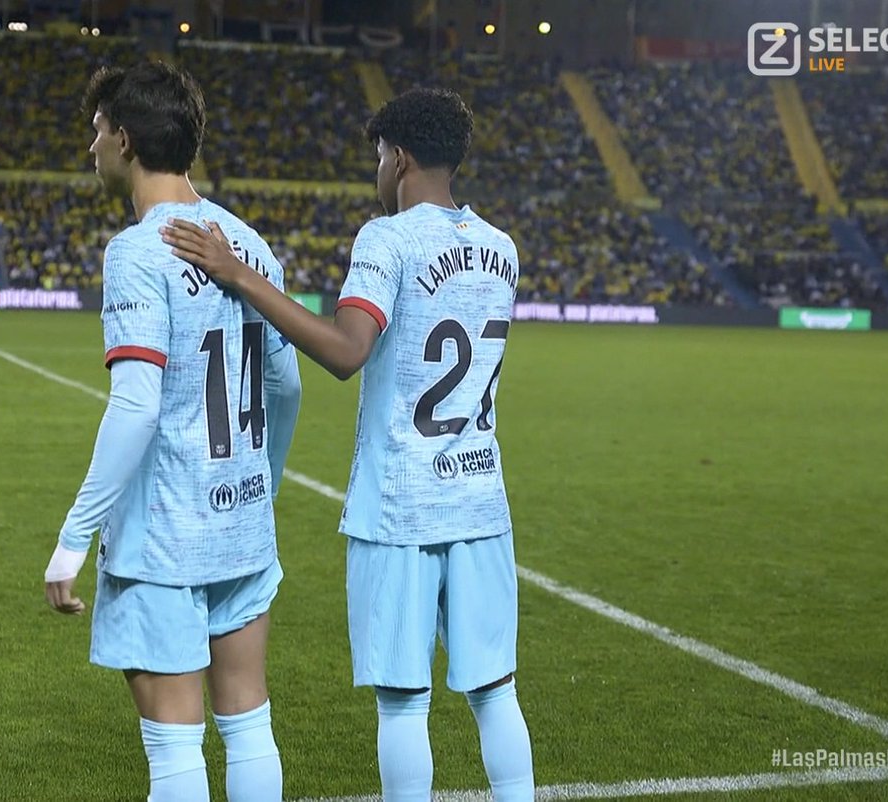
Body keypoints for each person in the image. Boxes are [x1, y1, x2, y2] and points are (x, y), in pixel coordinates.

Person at [161, 87, 534, 802]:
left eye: (377, 157)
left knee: (403, 701)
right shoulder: (500, 247)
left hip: (401, 503)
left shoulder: (386, 239)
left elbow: (344, 351)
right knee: (495, 691)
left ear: (398, 158)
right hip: (481, 495)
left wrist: (238, 274)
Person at [43, 61, 301, 802]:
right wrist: (263, 481)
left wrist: (73, 536)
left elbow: (137, 405)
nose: (92, 149)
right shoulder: (251, 245)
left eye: (96, 134)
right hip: (241, 523)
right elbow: (286, 384)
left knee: (176, 749)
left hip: (164, 538)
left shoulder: (137, 252)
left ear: (124, 140)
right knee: (250, 723)